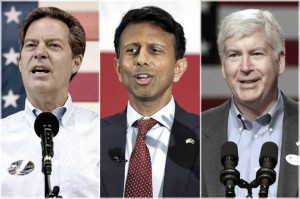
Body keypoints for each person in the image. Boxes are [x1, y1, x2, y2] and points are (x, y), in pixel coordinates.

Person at [100, 6, 199, 198]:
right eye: (132, 50)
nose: (141, 59)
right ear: (118, 68)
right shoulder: (93, 136)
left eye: (154, 50)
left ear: (178, 68)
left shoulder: (205, 136)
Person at [1, 7, 100, 197]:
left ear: (76, 62)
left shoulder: (102, 135)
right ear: (21, 61)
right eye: (31, 45)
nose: (39, 53)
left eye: (53, 45)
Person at [201, 9, 298, 197]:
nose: (245, 67)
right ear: (223, 67)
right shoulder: (196, 131)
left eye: (256, 53)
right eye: (234, 55)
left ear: (280, 62)